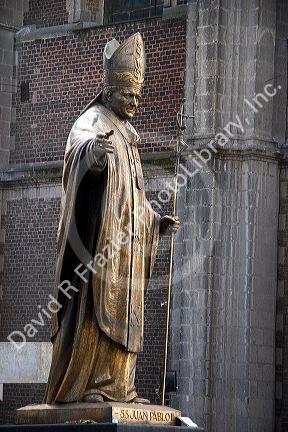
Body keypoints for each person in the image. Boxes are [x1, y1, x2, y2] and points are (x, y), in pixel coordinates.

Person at [44, 33, 180, 405]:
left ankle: (121, 387)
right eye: (128, 96)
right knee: (97, 316)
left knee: (127, 317)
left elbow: (135, 196)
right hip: (100, 248)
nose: (135, 102)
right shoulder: (91, 121)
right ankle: (91, 386)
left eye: (138, 96)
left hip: (129, 252)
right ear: (108, 92)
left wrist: (155, 222)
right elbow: (78, 156)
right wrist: (95, 155)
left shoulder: (129, 134)